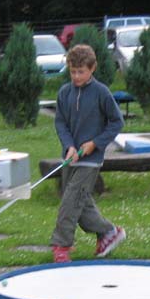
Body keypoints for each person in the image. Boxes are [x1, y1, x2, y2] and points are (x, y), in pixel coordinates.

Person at [50, 44, 126, 263]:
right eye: (73, 71)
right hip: (70, 157)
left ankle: (61, 245)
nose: (76, 76)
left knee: (71, 201)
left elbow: (116, 122)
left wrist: (95, 143)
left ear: (92, 68)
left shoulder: (101, 92)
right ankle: (109, 232)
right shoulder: (64, 92)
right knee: (79, 202)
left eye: (81, 72)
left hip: (91, 160)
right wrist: (69, 146)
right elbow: (61, 123)